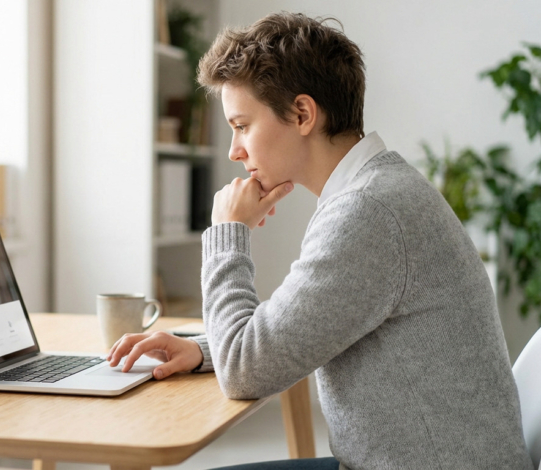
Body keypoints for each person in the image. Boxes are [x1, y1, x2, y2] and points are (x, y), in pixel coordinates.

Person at [107, 12, 534, 470]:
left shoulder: (368, 212)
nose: (234, 150)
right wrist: (204, 350)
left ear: (302, 114)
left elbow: (243, 371)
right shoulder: (374, 191)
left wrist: (227, 233)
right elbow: (294, 331)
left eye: (242, 125)